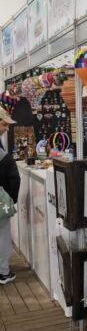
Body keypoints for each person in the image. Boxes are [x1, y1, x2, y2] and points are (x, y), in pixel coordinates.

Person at [0, 107, 21, 285]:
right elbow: (14, 178)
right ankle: (3, 273)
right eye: (3, 124)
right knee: (2, 235)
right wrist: (11, 199)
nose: (7, 128)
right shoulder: (4, 156)